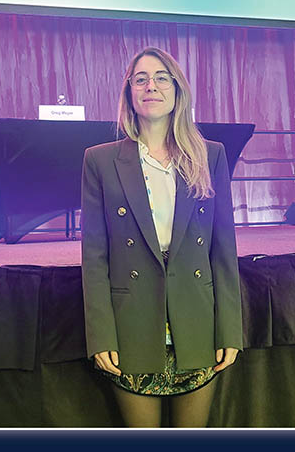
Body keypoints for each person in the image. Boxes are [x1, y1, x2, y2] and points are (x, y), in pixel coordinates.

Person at [80, 47, 243, 427]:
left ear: (177, 91)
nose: (150, 86)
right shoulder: (99, 161)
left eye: (161, 77)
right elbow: (95, 257)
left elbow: (223, 250)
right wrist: (100, 337)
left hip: (198, 325)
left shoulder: (209, 156)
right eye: (140, 79)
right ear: (129, 93)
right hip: (130, 327)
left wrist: (230, 330)